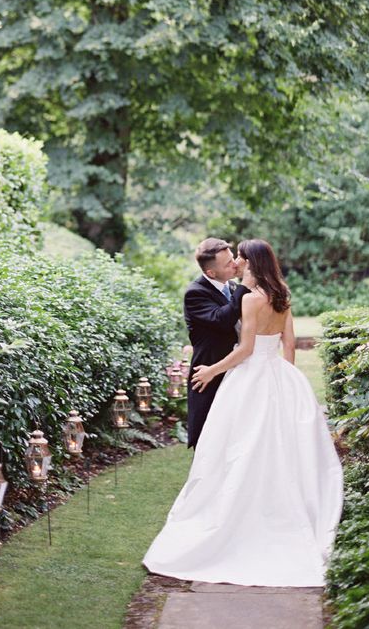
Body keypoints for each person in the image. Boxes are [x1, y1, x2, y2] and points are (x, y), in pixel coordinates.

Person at [144, 239, 343, 587]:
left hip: (247, 377)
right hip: (279, 376)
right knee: (277, 445)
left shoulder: (250, 298)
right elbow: (290, 344)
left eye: (238, 257)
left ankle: (237, 515)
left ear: (251, 262)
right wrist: (286, 379)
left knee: (237, 445)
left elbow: (246, 349)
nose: (235, 262)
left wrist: (212, 371)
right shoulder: (282, 293)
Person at [183, 238, 251, 449]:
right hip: (209, 371)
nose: (235, 264)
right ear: (211, 273)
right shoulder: (195, 293)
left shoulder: (230, 286)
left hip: (237, 369)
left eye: (232, 258)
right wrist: (245, 287)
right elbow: (221, 320)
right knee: (208, 437)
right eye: (228, 263)